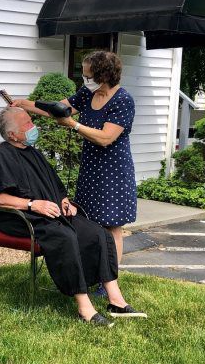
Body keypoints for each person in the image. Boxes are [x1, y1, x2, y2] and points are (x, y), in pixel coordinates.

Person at [0, 106, 146, 326]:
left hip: (50, 213)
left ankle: (116, 300)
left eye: (31, 121)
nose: (33, 126)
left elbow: (53, 185)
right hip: (18, 218)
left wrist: (63, 200)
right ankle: (84, 307)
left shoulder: (33, 153)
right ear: (12, 135)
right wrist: (33, 204)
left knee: (98, 233)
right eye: (27, 124)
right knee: (64, 236)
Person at [13, 50, 136, 263]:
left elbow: (106, 138)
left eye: (88, 76)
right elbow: (58, 109)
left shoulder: (123, 100)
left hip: (113, 172)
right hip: (90, 169)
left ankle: (111, 277)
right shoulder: (88, 93)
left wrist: (73, 124)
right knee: (89, 221)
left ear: (104, 75)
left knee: (111, 226)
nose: (84, 79)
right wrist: (24, 104)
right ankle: (93, 271)